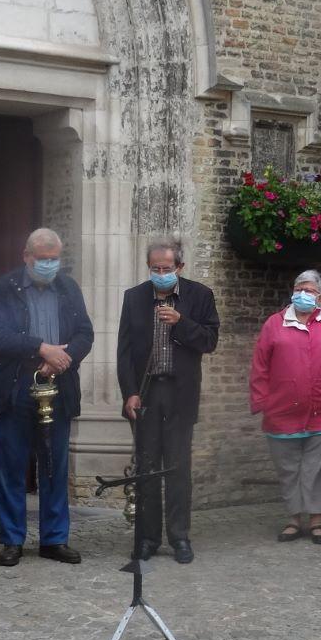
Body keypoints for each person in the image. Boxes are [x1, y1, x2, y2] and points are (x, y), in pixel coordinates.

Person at [0, 228, 94, 568]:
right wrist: (40, 347)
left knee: (54, 466)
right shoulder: (5, 287)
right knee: (12, 466)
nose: (49, 265)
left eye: (54, 259)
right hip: (15, 387)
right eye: (42, 259)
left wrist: (62, 359)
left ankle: (54, 539)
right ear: (26, 256)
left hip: (58, 386)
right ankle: (12, 540)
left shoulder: (68, 288)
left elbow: (85, 333)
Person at [117, 238, 221, 564]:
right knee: (147, 466)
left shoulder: (200, 296)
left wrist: (182, 323)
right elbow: (124, 351)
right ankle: (148, 538)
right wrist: (129, 392)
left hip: (180, 393)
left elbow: (210, 341)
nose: (160, 273)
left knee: (178, 468)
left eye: (166, 268)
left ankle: (179, 536)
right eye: (155, 268)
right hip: (147, 391)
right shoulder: (134, 298)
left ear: (180, 267)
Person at [249, 270, 321, 544]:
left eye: (309, 290)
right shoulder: (274, 324)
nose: (303, 293)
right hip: (281, 412)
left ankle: (316, 519)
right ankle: (293, 518)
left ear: (320, 296)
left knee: (316, 469)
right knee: (288, 467)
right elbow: (260, 366)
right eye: (299, 288)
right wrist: (261, 401)